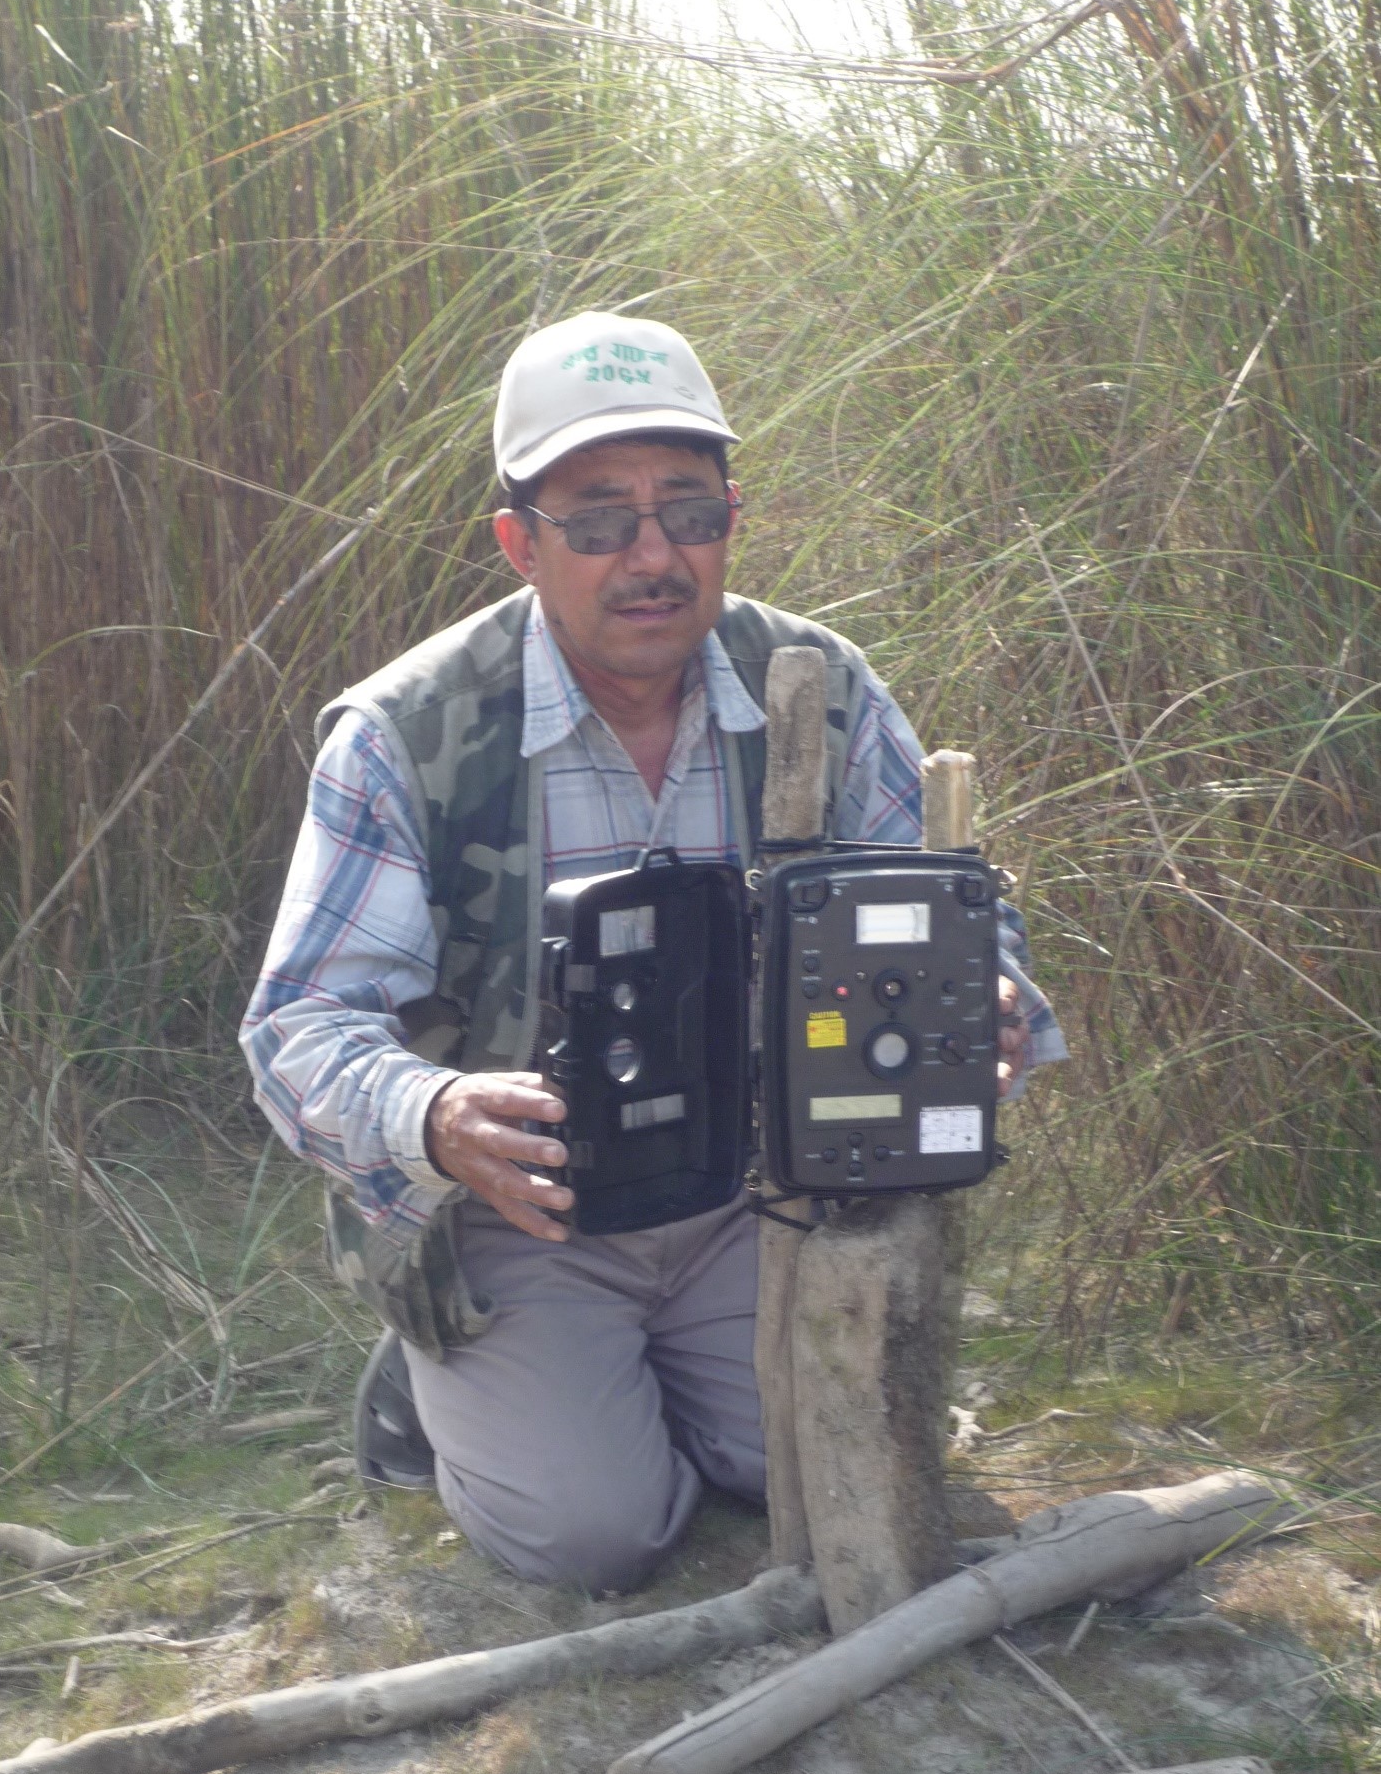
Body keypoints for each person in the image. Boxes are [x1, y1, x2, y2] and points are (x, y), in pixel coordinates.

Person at [240, 310, 1066, 1593]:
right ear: (520, 542)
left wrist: (990, 993)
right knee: (594, 1536)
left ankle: (617, 1388)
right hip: (528, 1204)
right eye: (597, 518)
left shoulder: (819, 684)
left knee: (805, 1453)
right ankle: (451, 1383)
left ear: (732, 516)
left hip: (753, 1186)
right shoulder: (404, 730)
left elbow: (955, 905)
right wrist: (437, 1111)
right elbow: (297, 1027)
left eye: (688, 510)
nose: (652, 554)